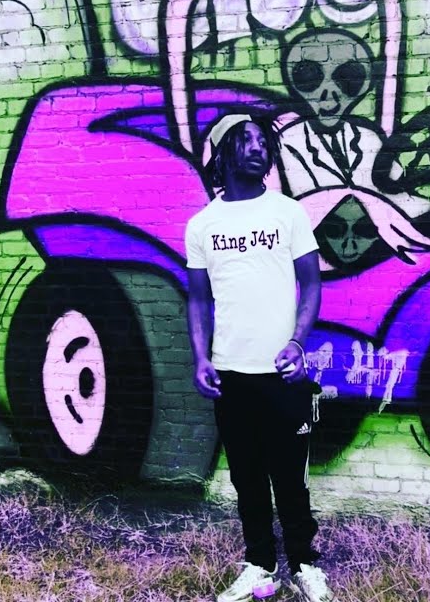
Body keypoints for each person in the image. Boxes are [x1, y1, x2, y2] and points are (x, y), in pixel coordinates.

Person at [185, 113, 336, 602]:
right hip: (230, 375)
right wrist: (201, 358)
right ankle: (260, 566)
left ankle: (304, 564)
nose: (257, 148)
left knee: (290, 479)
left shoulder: (287, 213)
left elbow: (311, 283)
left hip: (282, 374)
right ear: (222, 153)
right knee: (246, 478)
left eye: (262, 141)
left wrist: (298, 342)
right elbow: (197, 299)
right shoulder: (203, 225)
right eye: (244, 140)